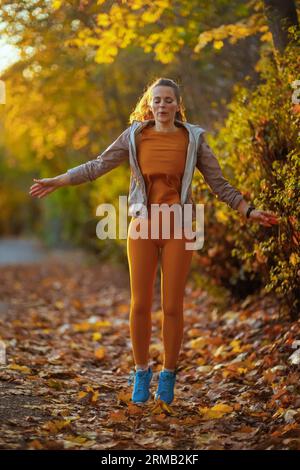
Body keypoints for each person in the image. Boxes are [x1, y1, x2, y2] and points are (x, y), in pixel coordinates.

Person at [29, 77, 279, 405]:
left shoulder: (194, 139)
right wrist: (60, 180)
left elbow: (219, 183)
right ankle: (141, 372)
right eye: (156, 100)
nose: (162, 106)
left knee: (173, 306)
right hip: (142, 227)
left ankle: (168, 374)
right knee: (140, 305)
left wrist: (249, 211)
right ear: (149, 104)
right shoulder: (134, 136)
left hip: (179, 226)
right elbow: (97, 165)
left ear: (178, 105)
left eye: (167, 100)